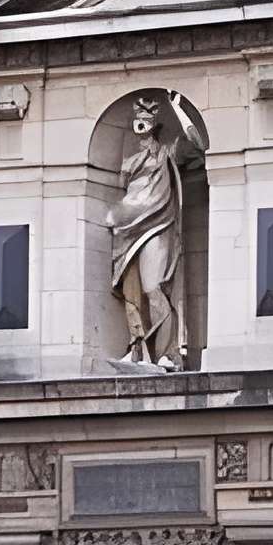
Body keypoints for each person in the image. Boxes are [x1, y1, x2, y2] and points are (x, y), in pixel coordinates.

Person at [108, 91, 210, 367]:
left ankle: (168, 352)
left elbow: (197, 144)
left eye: (146, 119)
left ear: (155, 123)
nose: (141, 125)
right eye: (137, 120)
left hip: (158, 226)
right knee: (131, 291)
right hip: (128, 231)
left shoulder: (169, 151)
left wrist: (178, 109)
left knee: (153, 289)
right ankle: (137, 348)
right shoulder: (128, 162)